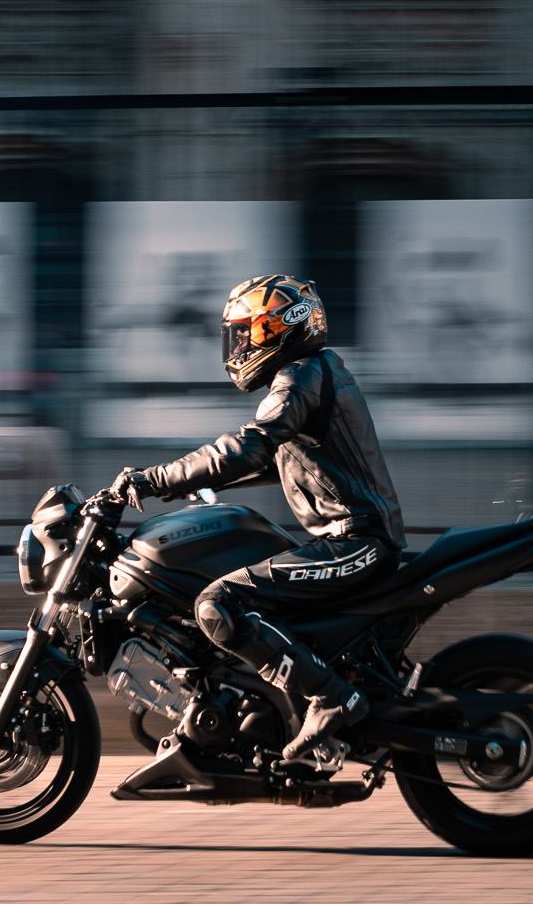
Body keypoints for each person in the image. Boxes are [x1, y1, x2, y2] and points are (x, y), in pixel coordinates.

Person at [107, 273, 405, 767]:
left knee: (216, 603)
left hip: (355, 545)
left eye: (246, 332)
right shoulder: (319, 373)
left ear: (277, 328)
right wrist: (189, 488)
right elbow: (274, 461)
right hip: (353, 541)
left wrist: (153, 479)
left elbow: (247, 447)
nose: (238, 345)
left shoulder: (300, 378)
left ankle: (330, 696)